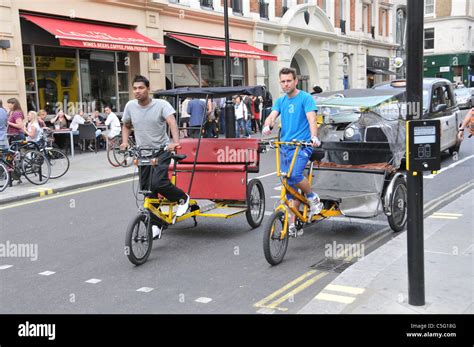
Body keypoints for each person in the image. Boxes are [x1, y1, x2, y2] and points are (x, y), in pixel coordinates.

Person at [120, 75, 190, 229]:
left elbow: (171, 121)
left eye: (141, 88)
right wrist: (125, 142)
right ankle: (157, 225)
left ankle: (182, 198)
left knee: (158, 183)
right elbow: (126, 125)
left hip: (161, 150)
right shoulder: (130, 106)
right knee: (148, 191)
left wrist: (175, 142)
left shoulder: (161, 104)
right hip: (143, 153)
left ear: (148, 89)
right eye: (135, 88)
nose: (137, 91)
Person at [262, 67, 323, 237]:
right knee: (287, 184)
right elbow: (272, 115)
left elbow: (312, 119)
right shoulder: (281, 101)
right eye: (283, 81)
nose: (286, 84)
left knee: (295, 175)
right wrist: (268, 125)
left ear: (296, 81)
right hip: (286, 146)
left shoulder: (306, 98)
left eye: (289, 81)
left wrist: (313, 137)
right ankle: (292, 224)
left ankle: (312, 197)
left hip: (303, 145)